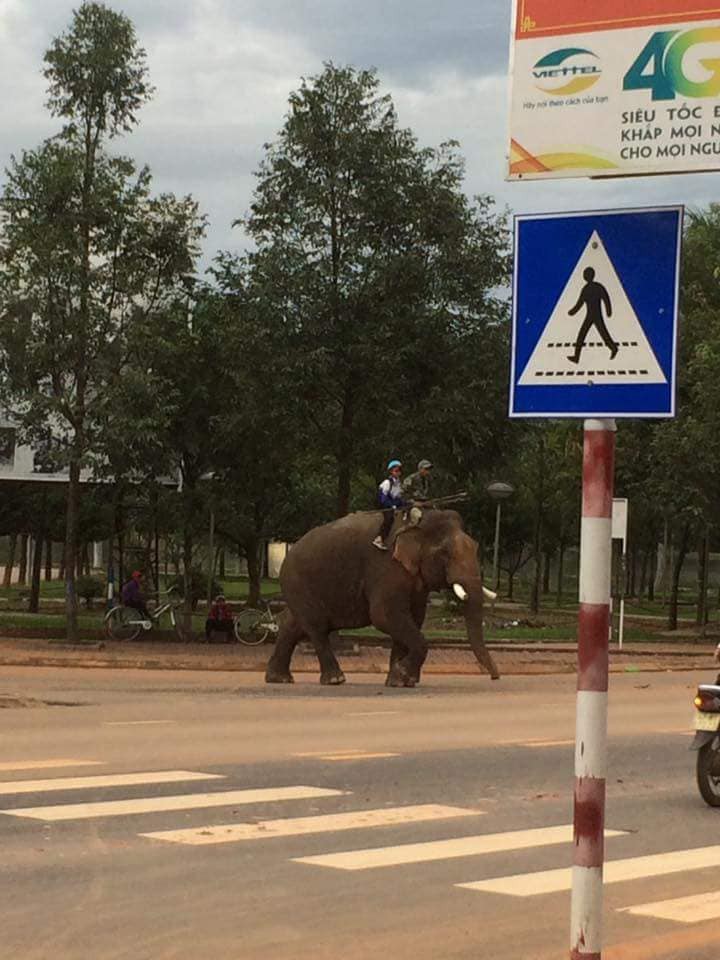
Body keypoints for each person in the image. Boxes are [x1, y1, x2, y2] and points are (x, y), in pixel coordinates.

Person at [372, 459, 408, 550]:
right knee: (389, 518)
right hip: (383, 503)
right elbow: (383, 499)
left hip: (393, 502)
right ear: (391, 471)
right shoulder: (387, 483)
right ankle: (379, 538)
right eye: (396, 471)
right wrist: (392, 506)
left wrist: (403, 503)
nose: (398, 473)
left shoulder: (398, 483)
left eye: (399, 470)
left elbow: (398, 497)